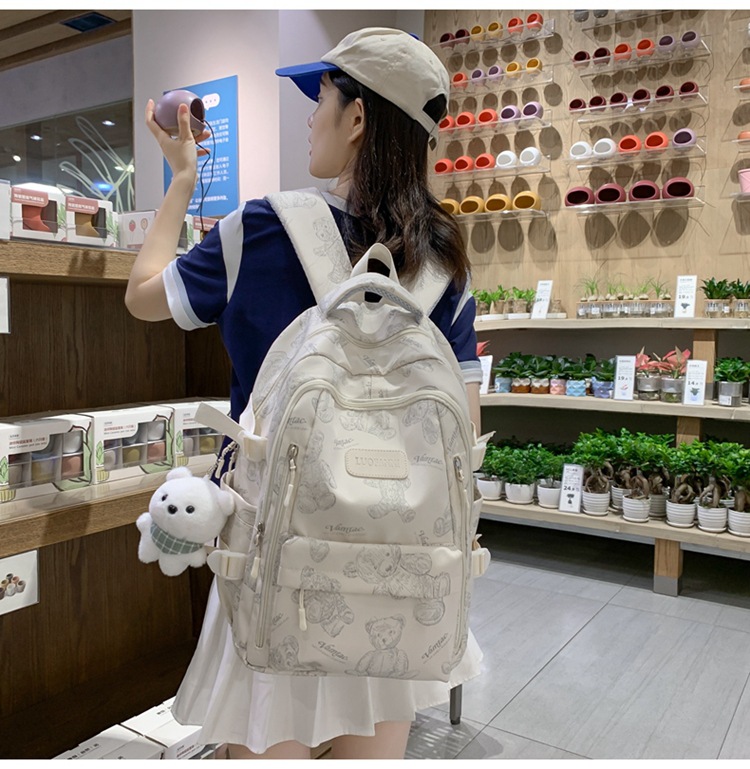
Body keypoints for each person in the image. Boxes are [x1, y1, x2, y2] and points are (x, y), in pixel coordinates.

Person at [125, 26, 483, 761]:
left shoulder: (261, 229)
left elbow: (142, 296)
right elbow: (464, 437)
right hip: (396, 585)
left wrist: (182, 176)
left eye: (319, 97)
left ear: (357, 118)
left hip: (276, 569)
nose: (311, 117)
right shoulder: (444, 263)